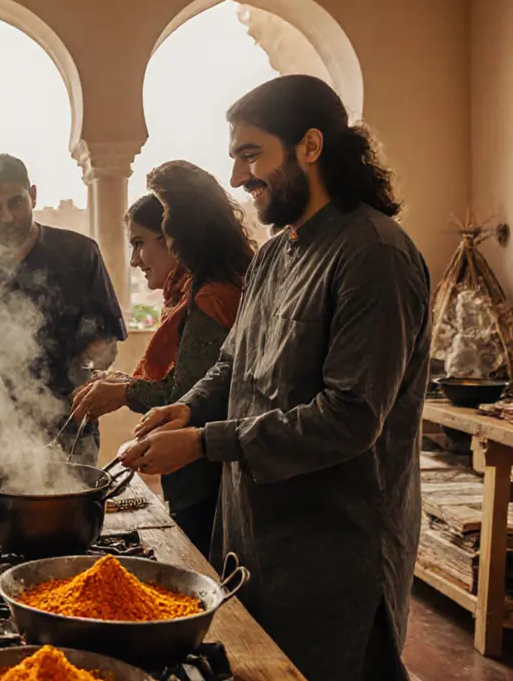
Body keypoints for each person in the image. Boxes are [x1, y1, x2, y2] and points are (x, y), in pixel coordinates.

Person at [123, 75, 429, 681]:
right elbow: (233, 363)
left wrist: (205, 442)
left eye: (251, 154)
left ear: (310, 146)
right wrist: (186, 409)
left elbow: (350, 418)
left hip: (335, 553)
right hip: (254, 535)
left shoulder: (374, 255)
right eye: (236, 157)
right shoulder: (274, 254)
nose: (237, 177)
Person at [68, 160, 254, 556]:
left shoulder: (209, 297)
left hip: (209, 476)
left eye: (139, 243)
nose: (134, 260)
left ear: (173, 237)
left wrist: (123, 393)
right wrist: (121, 384)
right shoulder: (194, 293)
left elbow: (186, 395)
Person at [0, 154, 128, 464]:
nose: (8, 217)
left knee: (71, 506)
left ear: (33, 195)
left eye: (16, 202)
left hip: (71, 422)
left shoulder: (80, 253)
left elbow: (107, 339)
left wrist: (94, 360)